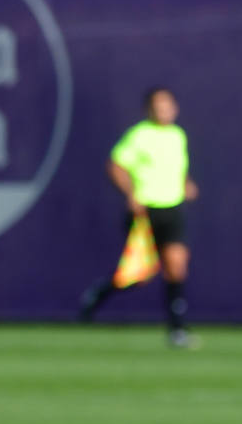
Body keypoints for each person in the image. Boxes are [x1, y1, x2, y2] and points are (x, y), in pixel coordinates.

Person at [78, 87, 199, 346]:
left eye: (168, 104)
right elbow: (116, 165)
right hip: (146, 211)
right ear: (149, 109)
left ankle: (177, 329)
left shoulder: (178, 136)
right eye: (158, 105)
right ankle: (99, 293)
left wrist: (186, 183)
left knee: (176, 266)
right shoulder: (140, 135)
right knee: (137, 275)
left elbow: (175, 168)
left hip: (173, 208)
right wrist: (131, 195)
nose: (163, 110)